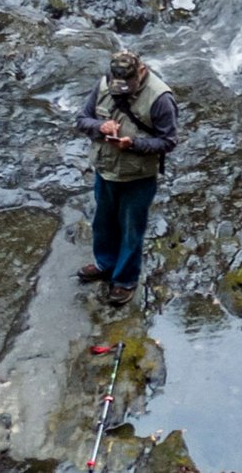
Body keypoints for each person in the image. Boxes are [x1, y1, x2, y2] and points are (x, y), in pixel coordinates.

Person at [74, 49, 178, 306]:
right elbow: (81, 120)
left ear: (140, 72)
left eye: (126, 86)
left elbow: (168, 141)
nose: (119, 89)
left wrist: (134, 144)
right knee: (103, 222)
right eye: (116, 85)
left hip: (138, 177)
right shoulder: (103, 84)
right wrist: (100, 127)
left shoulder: (161, 98)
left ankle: (124, 280)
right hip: (105, 170)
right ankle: (105, 264)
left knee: (132, 229)